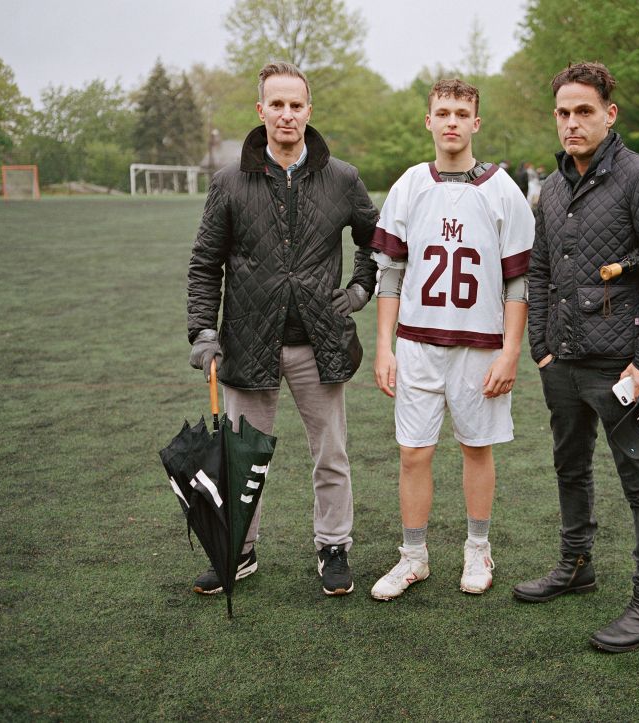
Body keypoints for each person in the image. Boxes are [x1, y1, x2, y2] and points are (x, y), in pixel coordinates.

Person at [512, 61, 639, 654]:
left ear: (609, 114)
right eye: (562, 113)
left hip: (622, 368)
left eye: (583, 111)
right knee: (570, 467)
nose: (571, 123)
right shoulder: (554, 185)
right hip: (560, 363)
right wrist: (540, 346)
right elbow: (538, 268)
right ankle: (576, 565)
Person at [186, 61, 378, 597]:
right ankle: (239, 551)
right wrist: (203, 332)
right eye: (277, 104)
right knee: (243, 458)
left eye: (296, 105)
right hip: (247, 344)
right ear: (261, 110)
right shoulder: (229, 182)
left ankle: (333, 547)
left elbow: (379, 240)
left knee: (331, 455)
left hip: (321, 344)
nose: (287, 113)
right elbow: (205, 263)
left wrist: (360, 289)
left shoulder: (341, 178)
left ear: (308, 111)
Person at [369, 79, 535, 600]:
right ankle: (413, 556)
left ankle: (477, 548)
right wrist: (383, 345)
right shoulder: (410, 185)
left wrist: (510, 350)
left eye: (462, 112)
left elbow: (518, 281)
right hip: (418, 343)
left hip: (479, 346)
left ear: (476, 123)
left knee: (475, 448)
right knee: (413, 454)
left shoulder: (503, 190)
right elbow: (391, 271)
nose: (452, 121)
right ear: (429, 120)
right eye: (443, 112)